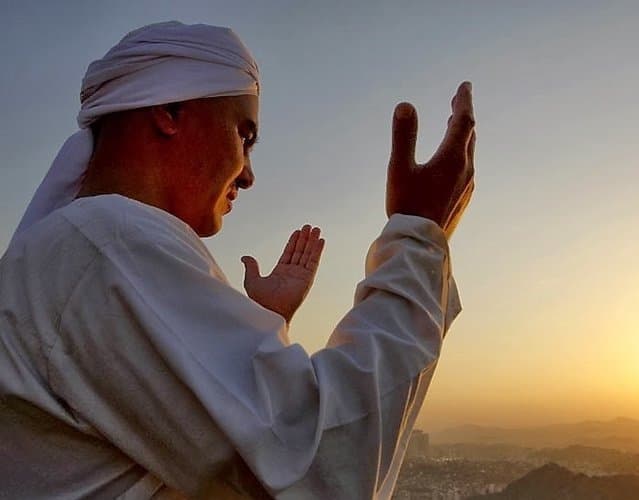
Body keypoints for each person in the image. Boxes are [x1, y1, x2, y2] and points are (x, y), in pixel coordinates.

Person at [0, 21, 474, 499]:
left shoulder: (72, 251)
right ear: (169, 110)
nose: (247, 175)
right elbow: (320, 468)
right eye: (244, 136)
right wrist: (418, 236)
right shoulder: (107, 241)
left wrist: (262, 327)